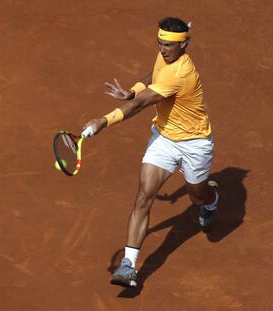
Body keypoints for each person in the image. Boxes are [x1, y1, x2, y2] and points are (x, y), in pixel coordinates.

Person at [83, 17, 219, 288]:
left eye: (169, 45)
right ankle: (128, 266)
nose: (163, 49)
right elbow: (153, 76)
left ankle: (211, 199)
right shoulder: (165, 59)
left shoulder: (181, 73)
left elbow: (140, 106)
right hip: (165, 139)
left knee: (198, 195)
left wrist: (103, 120)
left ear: (184, 45)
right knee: (144, 196)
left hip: (195, 143)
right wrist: (132, 91)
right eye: (160, 43)